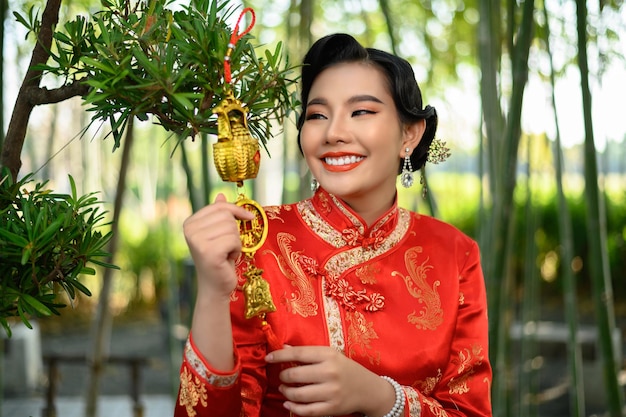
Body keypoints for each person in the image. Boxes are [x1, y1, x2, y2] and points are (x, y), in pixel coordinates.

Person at [175, 33, 492, 417]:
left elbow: (468, 410)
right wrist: (212, 292)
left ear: (409, 134)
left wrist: (380, 398)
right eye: (317, 115)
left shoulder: (454, 253)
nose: (333, 133)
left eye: (361, 112)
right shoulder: (257, 237)